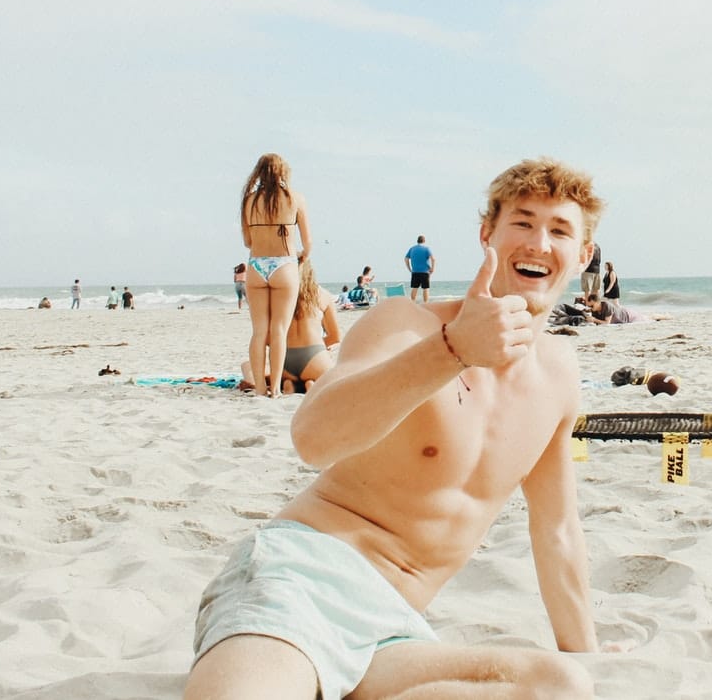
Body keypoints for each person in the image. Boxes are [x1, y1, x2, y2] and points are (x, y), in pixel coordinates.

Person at [183, 157, 603, 699]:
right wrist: (451, 351)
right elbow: (313, 438)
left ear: (584, 253)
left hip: (394, 633)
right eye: (522, 222)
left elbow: (558, 530)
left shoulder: (558, 377)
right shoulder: (407, 324)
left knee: (560, 685)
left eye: (560, 230)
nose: (539, 242)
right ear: (487, 237)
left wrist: (588, 652)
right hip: (300, 582)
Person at [241, 153, 312, 398]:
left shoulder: (249, 201)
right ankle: (275, 390)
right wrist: (301, 256)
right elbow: (308, 243)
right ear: (284, 172)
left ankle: (260, 387)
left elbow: (247, 241)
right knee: (279, 330)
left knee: (259, 330)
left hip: (257, 266)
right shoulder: (295, 198)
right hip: (285, 264)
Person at [242, 258, 341, 395]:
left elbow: (266, 338)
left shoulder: (277, 297)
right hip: (315, 358)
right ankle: (310, 384)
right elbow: (336, 337)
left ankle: (289, 384)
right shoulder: (323, 295)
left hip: (285, 360)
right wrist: (318, 347)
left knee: (247, 365)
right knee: (332, 370)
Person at [405, 235, 435, 302]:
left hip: (415, 271)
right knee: (425, 288)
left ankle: (412, 302)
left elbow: (406, 259)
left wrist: (409, 268)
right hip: (425, 272)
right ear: (424, 241)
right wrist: (432, 268)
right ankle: (425, 303)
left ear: (417, 241)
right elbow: (433, 259)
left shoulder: (412, 248)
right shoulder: (426, 249)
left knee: (415, 288)